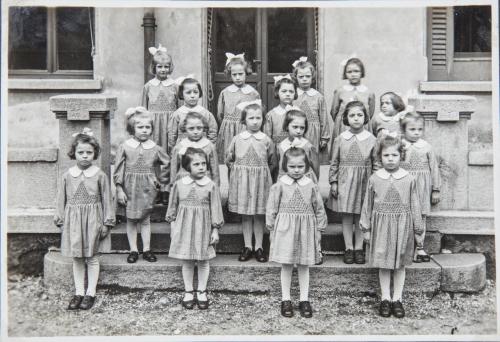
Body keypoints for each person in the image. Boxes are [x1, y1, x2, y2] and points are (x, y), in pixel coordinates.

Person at [360, 133, 423, 318]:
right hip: (381, 226)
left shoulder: (409, 179)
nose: (390, 159)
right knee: (385, 264)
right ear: (380, 157)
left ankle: (398, 299)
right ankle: (385, 298)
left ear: (401, 156)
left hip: (402, 227)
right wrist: (366, 228)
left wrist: (418, 229)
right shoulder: (375, 178)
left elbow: (415, 204)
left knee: (400, 265)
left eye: (394, 155)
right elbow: (367, 204)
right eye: (386, 155)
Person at [54, 128, 115, 310]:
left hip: (93, 220)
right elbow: (60, 199)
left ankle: (91, 293)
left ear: (95, 153)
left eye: (89, 152)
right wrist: (61, 218)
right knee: (78, 258)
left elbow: (107, 199)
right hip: (73, 221)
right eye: (81, 152)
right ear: (74, 153)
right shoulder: (67, 175)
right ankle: (79, 292)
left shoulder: (100, 175)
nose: (85, 156)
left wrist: (107, 222)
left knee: (92, 257)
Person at [266, 147, 327, 318]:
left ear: (307, 167)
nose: (296, 170)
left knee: (303, 264)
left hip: (306, 229)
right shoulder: (279, 186)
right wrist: (271, 228)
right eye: (292, 167)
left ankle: (304, 299)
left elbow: (319, 208)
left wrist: (319, 229)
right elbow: (272, 207)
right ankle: (286, 299)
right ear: (285, 166)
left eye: (300, 166)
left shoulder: (311, 186)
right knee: (286, 264)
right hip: (285, 229)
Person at [166, 147, 224, 310]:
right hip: (184, 226)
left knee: (203, 260)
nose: (201, 167)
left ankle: (202, 291)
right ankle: (188, 291)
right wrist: (173, 226)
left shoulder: (210, 185)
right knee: (188, 260)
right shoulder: (179, 184)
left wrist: (215, 229)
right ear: (187, 166)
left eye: (203, 164)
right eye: (196, 164)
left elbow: (216, 208)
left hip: (203, 227)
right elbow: (173, 207)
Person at [114, 107, 170, 264]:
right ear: (132, 128)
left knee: (145, 220)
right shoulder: (125, 147)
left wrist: (160, 182)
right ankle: (133, 250)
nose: (144, 130)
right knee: (131, 220)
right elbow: (118, 168)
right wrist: (119, 188)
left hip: (147, 188)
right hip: (129, 187)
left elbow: (167, 163)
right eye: (140, 127)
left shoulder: (155, 148)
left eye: (148, 127)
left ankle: (146, 249)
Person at [327, 101, 377, 264]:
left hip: (365, 181)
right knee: (347, 215)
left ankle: (359, 248)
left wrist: (375, 184)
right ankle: (348, 248)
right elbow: (334, 162)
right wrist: (333, 181)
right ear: (346, 119)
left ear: (366, 117)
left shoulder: (371, 139)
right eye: (352, 115)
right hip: (345, 181)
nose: (356, 118)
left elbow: (376, 163)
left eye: (360, 115)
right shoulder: (341, 139)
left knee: (362, 215)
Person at [225, 101, 275, 263]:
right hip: (243, 182)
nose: (255, 121)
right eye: (251, 118)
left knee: (259, 215)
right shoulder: (237, 139)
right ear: (244, 121)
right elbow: (229, 159)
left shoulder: (266, 140)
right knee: (246, 215)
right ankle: (248, 246)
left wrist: (262, 174)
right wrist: (239, 174)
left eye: (258, 118)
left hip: (261, 182)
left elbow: (272, 161)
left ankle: (259, 247)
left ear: (263, 120)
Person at [399, 112, 441, 262]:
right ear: (404, 130)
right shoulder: (400, 146)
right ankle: (406, 248)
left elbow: (434, 168)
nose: (416, 132)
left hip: (422, 188)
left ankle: (420, 248)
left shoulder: (426, 147)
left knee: (420, 217)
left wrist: (435, 189)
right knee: (405, 217)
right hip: (404, 187)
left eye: (419, 129)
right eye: (412, 129)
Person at [141, 44, 178, 203]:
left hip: (169, 126)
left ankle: (167, 189)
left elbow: (180, 110)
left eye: (166, 67)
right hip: (154, 127)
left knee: (169, 156)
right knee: (153, 156)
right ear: (154, 68)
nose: (163, 70)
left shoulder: (175, 86)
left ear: (170, 68)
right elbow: (143, 109)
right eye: (160, 67)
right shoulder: (148, 87)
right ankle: (154, 189)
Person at [216, 52, 260, 163]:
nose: (238, 77)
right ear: (230, 74)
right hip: (228, 131)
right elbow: (220, 114)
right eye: (234, 75)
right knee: (228, 158)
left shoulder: (253, 93)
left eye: (241, 74)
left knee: (243, 158)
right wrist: (229, 124)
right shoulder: (225, 93)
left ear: (246, 73)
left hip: (246, 129)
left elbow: (257, 113)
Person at [169, 112, 219, 190]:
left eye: (199, 128)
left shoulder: (209, 146)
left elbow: (215, 170)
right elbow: (174, 169)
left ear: (204, 127)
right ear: (185, 128)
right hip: (184, 183)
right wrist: (172, 186)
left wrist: (216, 187)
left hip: (204, 182)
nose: (195, 132)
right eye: (191, 128)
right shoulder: (180, 147)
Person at [168, 77, 218, 153]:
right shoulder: (177, 114)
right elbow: (172, 134)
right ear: (182, 94)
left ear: (200, 93)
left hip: (201, 150)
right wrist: (174, 151)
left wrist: (208, 148)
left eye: (195, 92)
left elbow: (212, 132)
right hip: (183, 150)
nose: (192, 95)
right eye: (188, 92)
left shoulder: (205, 113)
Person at [291, 56, 330, 154]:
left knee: (312, 157)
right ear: (296, 78)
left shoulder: (318, 97)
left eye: (307, 76)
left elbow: (323, 118)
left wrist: (324, 137)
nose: (304, 79)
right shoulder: (293, 95)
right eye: (301, 77)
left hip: (313, 134)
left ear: (312, 77)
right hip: (296, 132)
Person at [330, 57, 375, 139]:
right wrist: (342, 123)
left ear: (362, 72)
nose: (353, 74)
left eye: (356, 71)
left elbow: (370, 113)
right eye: (349, 72)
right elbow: (334, 112)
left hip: (363, 126)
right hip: (344, 127)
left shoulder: (368, 92)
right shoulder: (340, 91)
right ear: (345, 74)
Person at [264, 74, 297, 146]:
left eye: (291, 91)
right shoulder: (271, 115)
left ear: (295, 93)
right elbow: (267, 138)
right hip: (277, 150)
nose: (288, 94)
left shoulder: (298, 112)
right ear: (277, 92)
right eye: (284, 91)